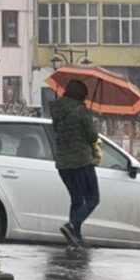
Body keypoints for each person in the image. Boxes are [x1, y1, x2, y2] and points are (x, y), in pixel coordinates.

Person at [50, 80, 100, 247]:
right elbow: (92, 136)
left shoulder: (57, 111)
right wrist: (89, 118)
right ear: (80, 95)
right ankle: (72, 226)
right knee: (93, 198)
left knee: (77, 200)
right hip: (81, 162)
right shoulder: (82, 111)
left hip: (63, 164)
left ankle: (75, 238)